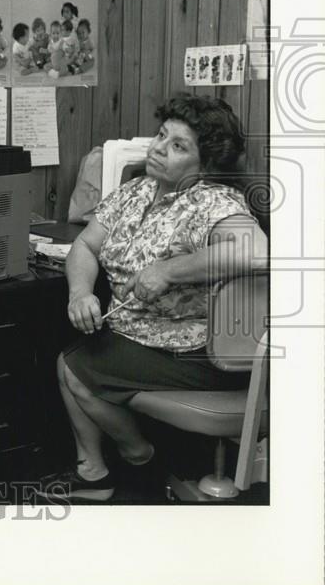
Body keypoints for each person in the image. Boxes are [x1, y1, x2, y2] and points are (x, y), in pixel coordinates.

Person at [37, 94, 268, 501]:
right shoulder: (138, 189)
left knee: (72, 369)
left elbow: (256, 252)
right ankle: (96, 471)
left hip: (192, 348)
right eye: (162, 136)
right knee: (68, 359)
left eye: (179, 146)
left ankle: (137, 456)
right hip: (134, 334)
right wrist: (79, 293)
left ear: (206, 164)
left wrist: (167, 270)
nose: (159, 148)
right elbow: (86, 246)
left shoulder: (213, 202)